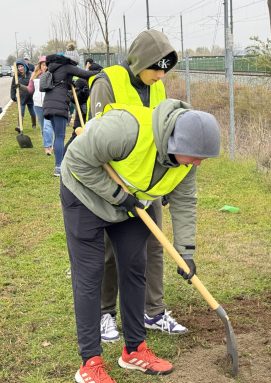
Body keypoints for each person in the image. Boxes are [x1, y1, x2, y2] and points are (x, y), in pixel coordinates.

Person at [61, 98, 221, 382]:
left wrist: (185, 252)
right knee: (90, 275)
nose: (198, 163)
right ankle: (90, 362)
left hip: (132, 205)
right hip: (84, 196)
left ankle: (134, 350)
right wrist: (118, 196)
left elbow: (185, 201)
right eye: (196, 156)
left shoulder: (187, 160)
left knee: (135, 269)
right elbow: (74, 161)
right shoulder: (125, 129)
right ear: (175, 142)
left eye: (203, 158)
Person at [87, 29, 188, 342]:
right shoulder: (108, 83)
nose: (160, 75)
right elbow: (98, 140)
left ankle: (152, 311)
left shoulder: (157, 88)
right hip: (113, 183)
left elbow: (163, 134)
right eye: (156, 68)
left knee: (154, 245)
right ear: (140, 61)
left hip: (147, 182)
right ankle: (105, 313)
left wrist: (164, 183)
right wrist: (116, 192)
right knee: (110, 250)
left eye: (165, 69)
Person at [42, 43, 99, 176]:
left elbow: (60, 83)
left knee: (57, 136)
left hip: (49, 103)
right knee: (60, 136)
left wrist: (69, 84)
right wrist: (102, 72)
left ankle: (59, 165)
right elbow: (86, 74)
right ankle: (58, 167)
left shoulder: (53, 67)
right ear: (74, 60)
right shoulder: (68, 67)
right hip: (59, 104)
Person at [28, 56, 54, 155]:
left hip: (49, 103)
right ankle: (47, 145)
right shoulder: (34, 75)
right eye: (43, 65)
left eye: (46, 64)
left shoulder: (52, 75)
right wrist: (22, 87)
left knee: (48, 125)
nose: (45, 67)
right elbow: (30, 90)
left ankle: (48, 146)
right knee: (43, 126)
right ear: (40, 65)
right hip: (37, 104)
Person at [11, 59, 36, 131]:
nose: (20, 68)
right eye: (18, 67)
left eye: (21, 66)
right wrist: (13, 96)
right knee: (21, 112)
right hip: (21, 97)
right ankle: (19, 126)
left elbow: (32, 87)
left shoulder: (31, 74)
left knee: (32, 112)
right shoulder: (16, 76)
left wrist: (20, 85)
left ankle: (34, 124)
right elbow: (13, 86)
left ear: (25, 66)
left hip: (30, 97)